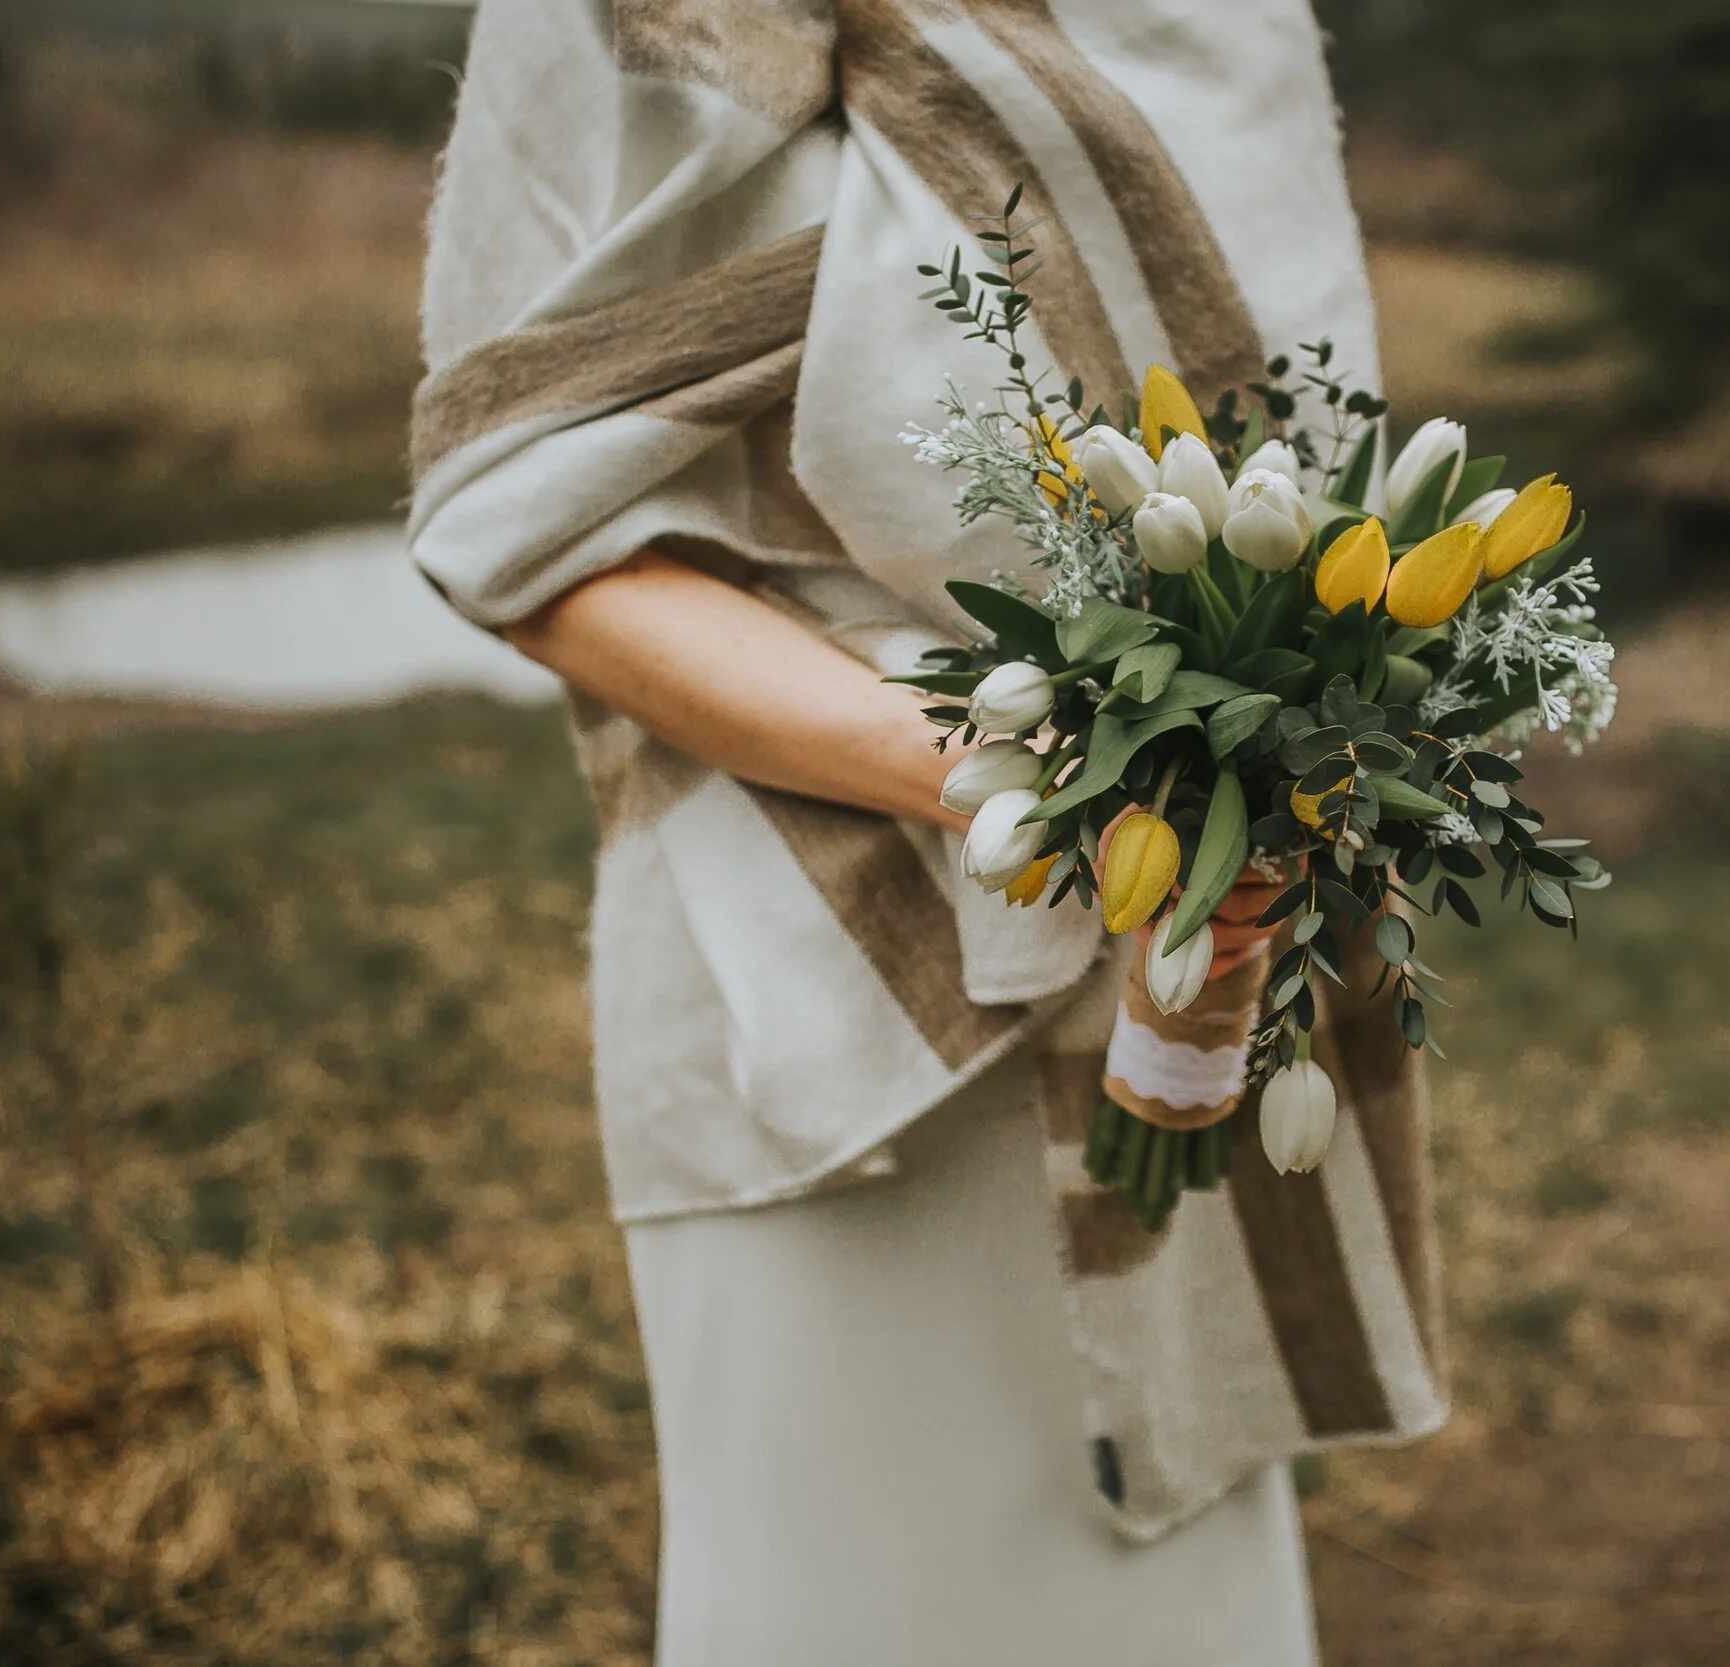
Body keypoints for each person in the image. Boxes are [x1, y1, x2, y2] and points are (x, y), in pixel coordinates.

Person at [409, 2, 1447, 1660]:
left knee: (1170, 1599)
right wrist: (1053, 781)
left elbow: (1291, 421)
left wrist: (1253, 785)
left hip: (1199, 959)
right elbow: (526, 527)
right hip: (836, 1006)